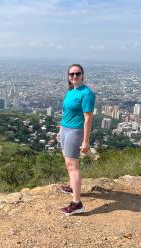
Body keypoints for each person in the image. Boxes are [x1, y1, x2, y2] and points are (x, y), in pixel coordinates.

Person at [57, 64, 95, 216]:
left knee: (73, 166)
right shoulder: (71, 91)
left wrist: (85, 141)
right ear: (68, 76)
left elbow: (88, 119)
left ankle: (77, 203)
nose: (74, 76)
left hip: (76, 131)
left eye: (77, 74)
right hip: (66, 130)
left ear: (82, 75)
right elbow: (65, 112)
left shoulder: (87, 94)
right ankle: (73, 188)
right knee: (68, 163)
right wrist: (60, 130)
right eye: (71, 74)